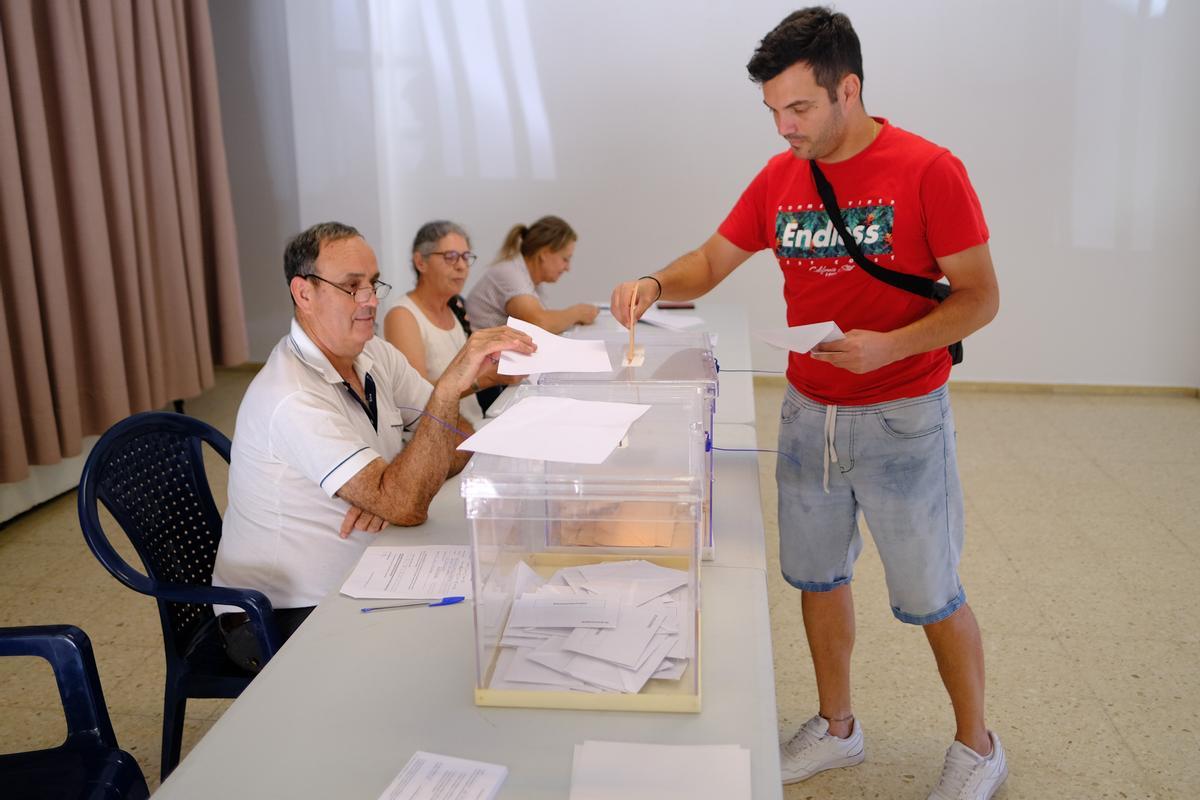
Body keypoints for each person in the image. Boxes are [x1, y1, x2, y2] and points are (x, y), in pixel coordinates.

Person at [610, 8, 1004, 799]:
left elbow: (981, 299)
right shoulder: (781, 177)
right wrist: (656, 282)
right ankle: (837, 728)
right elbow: (713, 258)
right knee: (817, 579)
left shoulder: (930, 170)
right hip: (807, 413)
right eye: (773, 113)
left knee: (932, 594)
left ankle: (978, 745)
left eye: (799, 109)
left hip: (902, 416)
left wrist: (890, 344)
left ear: (847, 90)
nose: (784, 128)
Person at [212, 221, 534, 672]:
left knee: (496, 605)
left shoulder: (373, 355)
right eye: (350, 287)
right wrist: (398, 482)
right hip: (281, 613)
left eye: (372, 283)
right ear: (303, 294)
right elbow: (409, 500)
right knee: (453, 653)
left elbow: (462, 437)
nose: (369, 300)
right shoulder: (290, 395)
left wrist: (389, 481)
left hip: (368, 567)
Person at [383, 220, 517, 426]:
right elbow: (416, 399)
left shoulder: (455, 307)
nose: (462, 266)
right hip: (437, 437)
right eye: (451, 257)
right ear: (421, 262)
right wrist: (486, 378)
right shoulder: (402, 315)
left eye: (465, 257)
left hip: (470, 425)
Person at [465, 215, 598, 334]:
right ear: (544, 254)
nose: (567, 268)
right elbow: (539, 322)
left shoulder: (531, 281)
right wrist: (577, 313)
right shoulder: (509, 273)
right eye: (565, 259)